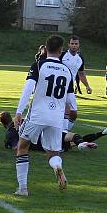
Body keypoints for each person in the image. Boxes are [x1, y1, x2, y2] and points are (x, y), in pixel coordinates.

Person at [14, 35, 77, 196]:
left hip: (37, 115)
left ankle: (22, 189)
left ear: (46, 48)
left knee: (22, 147)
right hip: (56, 118)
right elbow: (71, 99)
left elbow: (28, 89)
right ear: (61, 50)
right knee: (53, 153)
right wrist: (73, 112)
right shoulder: (67, 71)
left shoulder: (39, 65)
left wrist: (19, 112)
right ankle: (57, 166)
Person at [0, 112, 107, 151]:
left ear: (3, 123)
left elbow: (16, 147)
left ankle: (98, 135)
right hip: (48, 134)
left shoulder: (9, 133)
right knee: (75, 137)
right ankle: (101, 133)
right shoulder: (22, 120)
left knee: (72, 141)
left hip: (42, 144)